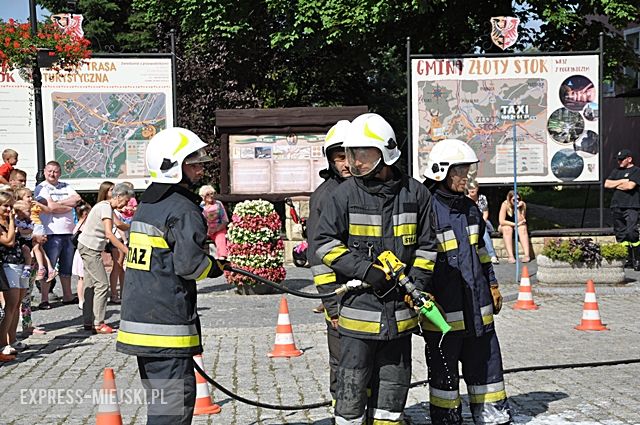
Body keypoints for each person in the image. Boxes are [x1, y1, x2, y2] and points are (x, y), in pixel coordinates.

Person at [313, 113, 438, 425]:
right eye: (351, 155)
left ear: (387, 153)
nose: (354, 163)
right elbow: (324, 242)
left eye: (362, 155)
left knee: (392, 396)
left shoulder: (415, 193)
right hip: (358, 318)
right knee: (351, 394)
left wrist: (416, 284)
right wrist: (364, 270)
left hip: (400, 317)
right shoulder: (344, 194)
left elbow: (427, 246)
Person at [116, 127, 226, 425]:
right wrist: (215, 267)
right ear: (174, 166)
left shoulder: (147, 205)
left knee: (160, 404)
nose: (200, 169)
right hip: (166, 326)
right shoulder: (183, 208)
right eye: (194, 163)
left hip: (140, 322)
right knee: (173, 411)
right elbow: (190, 265)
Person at [422, 138, 512, 425]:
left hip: (478, 309)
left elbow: (483, 254)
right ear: (441, 171)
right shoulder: (426, 210)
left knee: (486, 368)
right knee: (444, 375)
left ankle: (492, 417)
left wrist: (493, 284)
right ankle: (447, 419)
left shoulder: (471, 209)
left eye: (467, 170)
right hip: (444, 314)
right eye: (460, 171)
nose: (467, 178)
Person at [306, 119, 351, 404]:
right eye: (340, 157)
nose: (347, 163)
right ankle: (344, 412)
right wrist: (331, 305)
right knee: (343, 363)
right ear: (330, 159)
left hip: (373, 297)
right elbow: (318, 255)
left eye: (351, 154)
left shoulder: (371, 190)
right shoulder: (325, 196)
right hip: (341, 297)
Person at [78, 184, 133, 334]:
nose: (126, 204)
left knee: (90, 284)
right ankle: (99, 323)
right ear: (118, 196)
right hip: (90, 248)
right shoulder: (105, 208)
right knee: (102, 285)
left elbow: (120, 224)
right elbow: (109, 234)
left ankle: (88, 321)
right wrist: (127, 251)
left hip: (88, 247)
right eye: (126, 200)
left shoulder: (107, 207)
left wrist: (136, 225)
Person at [34, 161, 82, 308]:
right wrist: (65, 205)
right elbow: (50, 207)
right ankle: (44, 299)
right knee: (50, 266)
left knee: (66, 266)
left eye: (55, 171)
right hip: (51, 231)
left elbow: (77, 199)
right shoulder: (41, 187)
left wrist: (58, 203)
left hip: (68, 231)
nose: (52, 174)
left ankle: (67, 295)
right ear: (45, 172)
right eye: (49, 171)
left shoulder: (66, 185)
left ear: (60, 173)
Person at [0, 190, 29, 356]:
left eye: (11, 206)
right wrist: (12, 220)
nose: (9, 210)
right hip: (7, 265)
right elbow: (8, 241)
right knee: (10, 306)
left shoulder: (12, 223)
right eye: (5, 206)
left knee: (17, 304)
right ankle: (2, 342)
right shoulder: (4, 224)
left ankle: (13, 339)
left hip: (20, 264)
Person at [604, 149, 640, 270]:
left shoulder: (636, 171)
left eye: (622, 159)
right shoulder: (616, 171)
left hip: (631, 206)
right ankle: (627, 260)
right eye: (618, 159)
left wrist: (617, 184)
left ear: (629, 159)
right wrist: (622, 181)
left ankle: (637, 259)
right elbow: (607, 184)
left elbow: (630, 186)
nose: (619, 161)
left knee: (632, 232)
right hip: (616, 205)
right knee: (621, 234)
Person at [467, 181, 499, 264]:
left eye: (473, 188)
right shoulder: (465, 199)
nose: (472, 190)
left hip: (482, 221)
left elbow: (485, 213)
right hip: (469, 222)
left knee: (483, 229)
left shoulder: (482, 198)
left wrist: (480, 222)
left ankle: (492, 255)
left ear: (477, 189)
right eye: (470, 188)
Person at [498, 190, 530, 263]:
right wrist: (515, 224)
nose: (517, 201)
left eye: (518, 199)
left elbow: (521, 220)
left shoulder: (522, 205)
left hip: (517, 226)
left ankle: (527, 255)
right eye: (514, 200)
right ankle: (511, 256)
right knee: (507, 229)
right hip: (505, 225)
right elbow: (502, 221)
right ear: (509, 199)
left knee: (523, 228)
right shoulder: (505, 204)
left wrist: (518, 208)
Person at [198, 185, 228, 259]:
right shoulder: (200, 206)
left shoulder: (218, 204)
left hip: (218, 229)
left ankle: (222, 257)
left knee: (220, 237)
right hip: (205, 230)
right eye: (207, 194)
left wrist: (216, 229)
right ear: (202, 196)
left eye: (212, 194)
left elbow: (225, 220)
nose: (210, 196)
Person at [73, 203, 92, 310]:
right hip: (82, 253)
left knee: (83, 278)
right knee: (82, 278)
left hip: (80, 253)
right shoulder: (83, 226)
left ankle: (84, 299)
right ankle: (81, 299)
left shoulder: (79, 225)